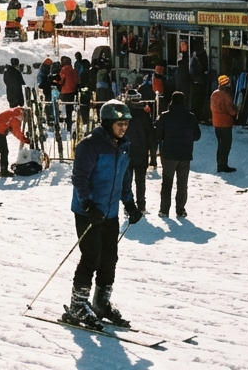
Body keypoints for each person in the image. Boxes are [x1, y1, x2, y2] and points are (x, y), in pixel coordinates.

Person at [64, 100, 141, 330]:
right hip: (88, 212)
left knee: (109, 260)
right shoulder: (91, 145)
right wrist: (87, 205)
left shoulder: (125, 145)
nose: (124, 128)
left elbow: (124, 179)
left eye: (126, 124)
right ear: (107, 123)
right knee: (91, 258)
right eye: (119, 124)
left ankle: (100, 303)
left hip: (110, 213)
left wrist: (130, 204)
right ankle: (77, 305)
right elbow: (79, 177)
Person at [155, 91, 201, 218]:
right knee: (182, 183)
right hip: (185, 154)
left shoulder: (164, 116)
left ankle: (164, 210)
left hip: (169, 154)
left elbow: (157, 135)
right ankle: (180, 210)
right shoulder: (190, 116)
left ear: (171, 101)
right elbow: (197, 136)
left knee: (167, 182)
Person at [123, 93, 154, 212]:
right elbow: (151, 136)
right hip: (141, 153)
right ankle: (141, 204)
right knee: (140, 181)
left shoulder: (124, 116)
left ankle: (128, 204)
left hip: (127, 152)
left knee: (127, 181)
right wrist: (153, 156)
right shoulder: (145, 116)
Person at [0, 106, 28, 176]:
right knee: (4, 151)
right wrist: (25, 140)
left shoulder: (15, 112)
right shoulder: (16, 118)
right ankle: (4, 170)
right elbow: (16, 132)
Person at [210, 74, 238, 173]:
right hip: (225, 123)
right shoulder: (226, 96)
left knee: (220, 145)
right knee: (226, 146)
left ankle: (219, 164)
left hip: (216, 123)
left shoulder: (214, 94)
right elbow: (230, 110)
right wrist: (237, 112)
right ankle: (224, 166)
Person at [56, 55, 80, 134]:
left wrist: (56, 82)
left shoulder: (64, 70)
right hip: (72, 92)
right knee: (69, 109)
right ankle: (70, 125)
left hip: (65, 91)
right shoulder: (74, 70)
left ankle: (63, 127)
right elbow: (77, 80)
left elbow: (62, 81)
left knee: (63, 109)